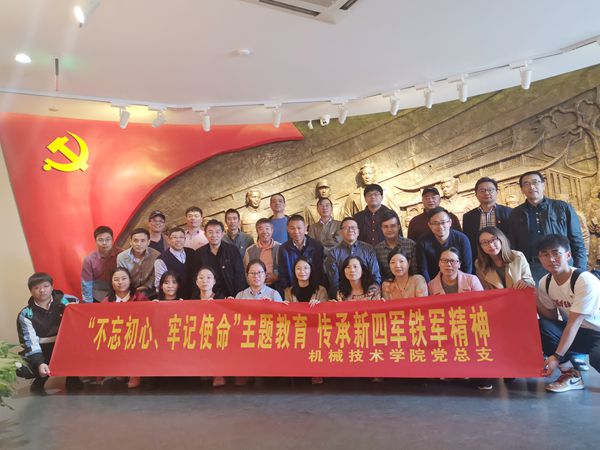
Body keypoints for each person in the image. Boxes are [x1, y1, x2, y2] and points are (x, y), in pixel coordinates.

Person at [537, 234, 600, 393]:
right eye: (545, 254)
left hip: (596, 332)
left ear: (568, 255)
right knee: (542, 326)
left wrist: (556, 357)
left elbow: (574, 323)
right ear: (540, 259)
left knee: (597, 358)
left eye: (556, 253)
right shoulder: (545, 282)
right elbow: (550, 319)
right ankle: (571, 375)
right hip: (579, 332)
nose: (551, 259)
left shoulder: (584, 280)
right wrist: (534, 297)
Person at [509, 170, 587, 282]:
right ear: (522, 190)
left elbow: (577, 241)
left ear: (543, 185)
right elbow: (513, 247)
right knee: (538, 294)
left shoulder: (562, 208)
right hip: (532, 268)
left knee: (565, 293)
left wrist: (580, 269)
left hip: (562, 264)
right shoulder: (515, 214)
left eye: (535, 182)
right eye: (526, 184)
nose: (531, 186)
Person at [17, 272, 82, 392]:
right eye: (36, 288)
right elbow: (30, 342)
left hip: (68, 346)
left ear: (52, 287)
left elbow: (85, 321)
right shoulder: (26, 314)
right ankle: (41, 377)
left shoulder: (69, 300)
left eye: (46, 286)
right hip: (43, 349)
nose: (42, 290)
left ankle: (73, 377)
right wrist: (39, 362)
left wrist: (75, 309)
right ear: (31, 291)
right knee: (21, 368)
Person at [103, 267, 149, 388]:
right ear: (111, 282)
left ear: (130, 280)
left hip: (136, 336)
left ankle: (135, 373)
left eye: (124, 279)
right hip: (116, 336)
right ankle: (120, 370)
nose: (120, 282)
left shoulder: (140, 298)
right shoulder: (107, 301)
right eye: (116, 279)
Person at [326, 217, 381, 298]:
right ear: (341, 232)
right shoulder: (333, 253)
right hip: (344, 296)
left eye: (353, 227)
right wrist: (343, 297)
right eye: (346, 228)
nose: (350, 230)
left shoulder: (368, 249)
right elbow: (334, 281)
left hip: (368, 295)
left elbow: (375, 275)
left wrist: (371, 292)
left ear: (358, 232)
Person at [462, 177, 513, 264]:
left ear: (496, 192)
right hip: (480, 259)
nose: (486, 193)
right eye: (482, 190)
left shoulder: (509, 212)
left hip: (505, 257)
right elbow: (469, 241)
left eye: (490, 190)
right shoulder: (468, 217)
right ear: (476, 194)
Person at [416, 207, 472, 283]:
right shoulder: (423, 241)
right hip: (433, 283)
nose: (440, 226)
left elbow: (467, 267)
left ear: (450, 223)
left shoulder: (462, 239)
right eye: (435, 223)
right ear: (429, 225)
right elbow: (423, 269)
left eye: (443, 222)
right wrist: (430, 287)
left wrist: (462, 284)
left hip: (459, 282)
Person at [194, 219, 246, 298]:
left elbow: (239, 275)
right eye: (210, 232)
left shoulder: (232, 250)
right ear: (205, 234)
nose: (214, 235)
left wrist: (239, 296)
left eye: (217, 232)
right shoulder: (199, 253)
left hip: (230, 294)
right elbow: (195, 277)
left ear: (222, 234)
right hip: (208, 296)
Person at [278, 214, 325, 291]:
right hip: (292, 290)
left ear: (305, 228)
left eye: (299, 228)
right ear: (288, 229)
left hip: (313, 289)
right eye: (292, 228)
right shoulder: (283, 248)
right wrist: (288, 291)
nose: (296, 232)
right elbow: (282, 274)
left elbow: (319, 271)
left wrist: (316, 291)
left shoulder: (316, 246)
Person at [81, 225, 123, 303]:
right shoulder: (89, 260)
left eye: (108, 239)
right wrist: (88, 304)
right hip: (98, 294)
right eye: (100, 240)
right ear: (95, 241)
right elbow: (86, 284)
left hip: (120, 293)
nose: (104, 243)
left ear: (112, 240)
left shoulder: (122, 254)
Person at [116, 228, 161, 298]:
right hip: (129, 292)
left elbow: (155, 275)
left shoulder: (156, 255)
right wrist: (133, 290)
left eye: (143, 241)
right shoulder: (121, 257)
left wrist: (146, 286)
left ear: (148, 242)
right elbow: (122, 277)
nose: (139, 244)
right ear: (130, 242)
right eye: (135, 241)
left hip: (151, 292)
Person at [154, 227, 195, 299]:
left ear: (185, 239)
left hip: (193, 297)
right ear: (169, 240)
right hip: (174, 299)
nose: (178, 240)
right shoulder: (161, 260)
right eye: (174, 237)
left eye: (181, 237)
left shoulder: (192, 253)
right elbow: (159, 285)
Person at [375, 210, 417, 280]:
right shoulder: (377, 250)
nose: (389, 229)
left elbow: (415, 271)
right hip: (387, 284)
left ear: (398, 227)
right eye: (385, 227)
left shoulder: (410, 245)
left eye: (393, 226)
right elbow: (379, 275)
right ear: (381, 228)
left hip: (410, 283)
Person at [244, 218, 281, 289]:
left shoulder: (280, 248)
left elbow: (285, 269)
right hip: (256, 287)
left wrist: (276, 276)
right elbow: (246, 271)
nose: (264, 232)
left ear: (272, 230)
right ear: (257, 231)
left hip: (277, 286)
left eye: (267, 228)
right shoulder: (249, 250)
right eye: (261, 229)